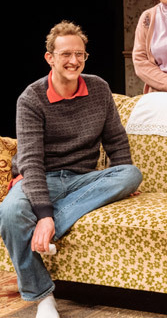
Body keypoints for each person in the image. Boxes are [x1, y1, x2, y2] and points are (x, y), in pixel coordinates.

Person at [0, 21, 142, 318]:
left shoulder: (99, 89)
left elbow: (115, 140)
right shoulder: (31, 99)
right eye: (66, 54)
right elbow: (32, 162)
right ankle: (43, 297)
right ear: (49, 58)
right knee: (10, 213)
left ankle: (48, 229)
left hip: (83, 180)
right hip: (42, 178)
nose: (74, 61)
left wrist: (49, 220)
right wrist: (43, 211)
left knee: (130, 174)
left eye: (80, 54)